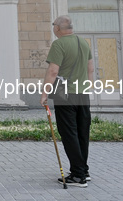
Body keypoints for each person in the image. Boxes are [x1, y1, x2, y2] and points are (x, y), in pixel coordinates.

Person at [40, 15, 94, 188]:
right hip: (83, 94)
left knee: (69, 133)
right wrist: (87, 88)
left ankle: (78, 176)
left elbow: (53, 72)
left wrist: (44, 93)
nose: (53, 28)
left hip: (66, 95)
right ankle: (83, 170)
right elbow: (90, 69)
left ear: (58, 28)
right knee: (82, 132)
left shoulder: (59, 44)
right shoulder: (84, 43)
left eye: (53, 25)